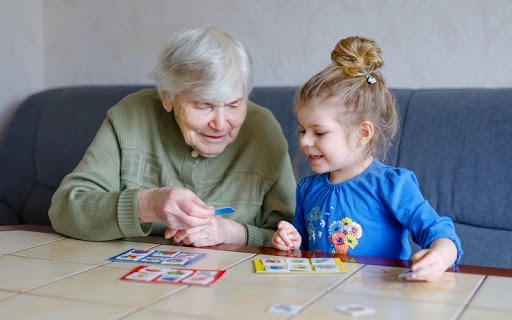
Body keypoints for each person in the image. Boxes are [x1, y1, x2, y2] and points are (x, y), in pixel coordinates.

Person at [49, 25, 296, 247]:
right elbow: (64, 211)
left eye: (234, 105)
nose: (220, 124)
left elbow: (298, 235)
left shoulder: (263, 130)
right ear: (168, 96)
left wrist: (231, 232)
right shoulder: (131, 117)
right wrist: (148, 204)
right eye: (204, 106)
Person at [272, 36, 463, 281]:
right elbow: (303, 249)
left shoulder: (392, 185)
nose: (304, 141)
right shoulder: (307, 189)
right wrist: (291, 240)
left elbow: (438, 232)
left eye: (319, 132)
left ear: (362, 133)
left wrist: (440, 256)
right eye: (302, 130)